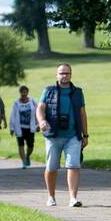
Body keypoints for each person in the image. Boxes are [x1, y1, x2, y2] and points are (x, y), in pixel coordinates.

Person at [37, 63, 88, 207]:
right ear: (56, 75)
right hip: (53, 135)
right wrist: (42, 121)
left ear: (71, 75)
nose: (64, 76)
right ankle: (51, 197)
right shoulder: (48, 91)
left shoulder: (77, 92)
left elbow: (82, 114)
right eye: (61, 73)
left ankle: (73, 198)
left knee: (73, 166)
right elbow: (40, 108)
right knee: (52, 167)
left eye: (67, 73)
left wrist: (85, 135)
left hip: (73, 135)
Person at [9, 85, 38, 168]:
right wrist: (12, 128)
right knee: (20, 145)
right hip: (20, 128)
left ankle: (27, 155)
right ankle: (24, 162)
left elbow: (37, 113)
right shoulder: (16, 103)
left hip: (30, 128)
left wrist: (38, 124)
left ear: (27, 92)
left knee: (30, 146)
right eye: (22, 92)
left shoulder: (33, 101)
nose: (23, 94)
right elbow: (13, 115)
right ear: (20, 93)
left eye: (25, 92)